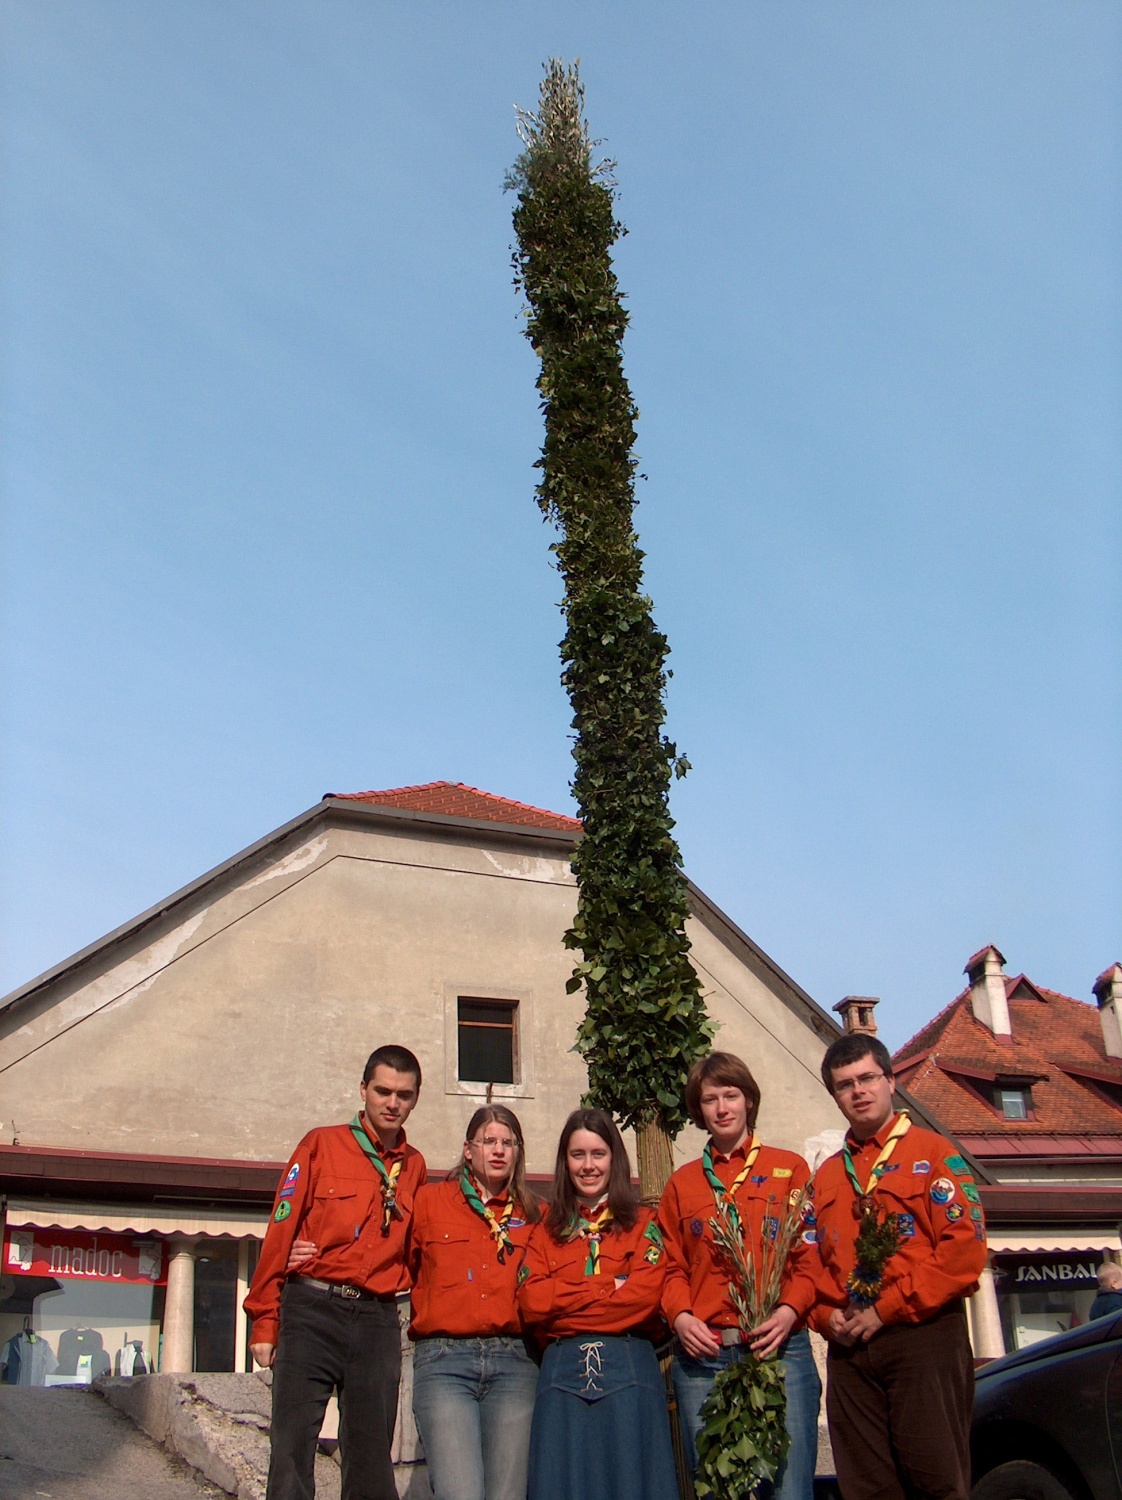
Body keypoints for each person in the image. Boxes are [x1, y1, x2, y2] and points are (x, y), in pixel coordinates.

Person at [244, 1044, 426, 1500]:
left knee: (370, 1460)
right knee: (291, 1448)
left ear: (415, 1099)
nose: (392, 1103)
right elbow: (280, 1231)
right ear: (363, 1090)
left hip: (377, 1319)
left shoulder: (416, 1167)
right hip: (311, 1308)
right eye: (383, 1091)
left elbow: (419, 1250)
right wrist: (265, 1319)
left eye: (403, 1095)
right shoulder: (320, 1144)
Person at [810, 1033, 988, 1500]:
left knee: (935, 1479)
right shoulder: (827, 1175)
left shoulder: (933, 1155)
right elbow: (809, 1263)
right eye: (844, 1085)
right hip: (849, 1347)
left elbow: (964, 1252)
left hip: (922, 1335)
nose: (858, 1091)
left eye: (867, 1078)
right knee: (866, 1486)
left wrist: (886, 1308)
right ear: (835, 1096)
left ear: (891, 1081)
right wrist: (825, 1317)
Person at [658, 1051, 822, 1500]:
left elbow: (810, 1260)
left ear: (749, 1100)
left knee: (788, 1491)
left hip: (780, 1350)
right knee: (714, 1490)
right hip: (705, 1359)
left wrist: (788, 1313)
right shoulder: (682, 1184)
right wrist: (681, 1318)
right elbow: (671, 1267)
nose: (722, 1108)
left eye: (731, 1095)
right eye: (710, 1099)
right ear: (699, 1109)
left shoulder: (790, 1171)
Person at [516, 1108, 679, 1500]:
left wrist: (566, 1294)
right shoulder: (545, 1230)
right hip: (561, 1381)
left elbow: (643, 1298)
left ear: (614, 1159)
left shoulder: (644, 1224)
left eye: (598, 1154)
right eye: (577, 1155)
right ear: (564, 1161)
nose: (588, 1166)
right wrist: (610, 1285)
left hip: (631, 1378)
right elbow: (533, 1303)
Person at [408, 1105, 541, 1500]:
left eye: (508, 1143)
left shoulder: (538, 1214)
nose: (498, 1151)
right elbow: (389, 1257)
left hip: (516, 1363)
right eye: (489, 1142)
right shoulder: (429, 1202)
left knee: (509, 1494)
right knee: (459, 1492)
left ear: (518, 1151)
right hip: (444, 1362)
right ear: (469, 1149)